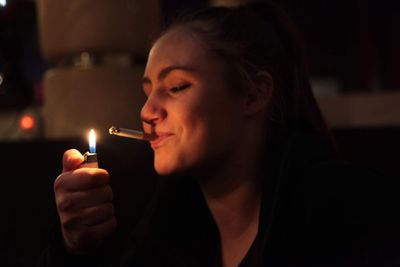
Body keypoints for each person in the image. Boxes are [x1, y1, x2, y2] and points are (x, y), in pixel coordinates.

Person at [39, 2, 399, 267]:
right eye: (148, 90)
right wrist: (76, 250)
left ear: (253, 94)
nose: (147, 112)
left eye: (176, 86)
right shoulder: (168, 227)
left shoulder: (343, 210)